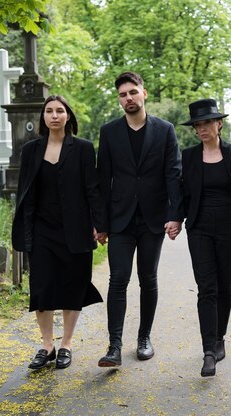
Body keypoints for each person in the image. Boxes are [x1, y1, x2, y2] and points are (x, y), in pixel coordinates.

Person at [95, 71, 184, 367]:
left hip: (152, 219)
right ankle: (114, 347)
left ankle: (144, 338)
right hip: (119, 220)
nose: (128, 98)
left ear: (144, 93)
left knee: (148, 278)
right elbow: (102, 179)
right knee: (118, 279)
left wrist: (175, 215)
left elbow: (173, 174)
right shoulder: (109, 132)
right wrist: (101, 222)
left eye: (133, 92)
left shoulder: (165, 130)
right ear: (119, 99)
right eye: (122, 94)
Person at [12, 95, 103, 370]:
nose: (54, 115)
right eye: (49, 111)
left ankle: (67, 344)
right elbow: (23, 192)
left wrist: (99, 223)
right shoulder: (30, 150)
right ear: (43, 117)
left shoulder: (84, 149)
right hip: (41, 230)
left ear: (68, 116)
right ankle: (47, 345)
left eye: (59, 111)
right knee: (42, 288)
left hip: (75, 229)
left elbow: (92, 189)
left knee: (73, 286)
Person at [181, 99, 231, 377]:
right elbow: (183, 194)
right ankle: (207, 350)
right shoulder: (189, 156)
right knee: (206, 287)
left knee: (225, 285)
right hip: (199, 227)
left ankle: (219, 338)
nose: (202, 129)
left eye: (207, 123)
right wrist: (174, 219)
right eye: (197, 125)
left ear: (219, 124)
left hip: (230, 226)